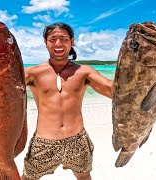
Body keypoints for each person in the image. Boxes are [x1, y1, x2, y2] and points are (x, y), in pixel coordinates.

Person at [22, 22, 113, 180]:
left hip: (77, 139)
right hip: (44, 142)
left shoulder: (84, 72)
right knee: (28, 178)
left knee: (83, 176)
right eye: (52, 39)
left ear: (71, 42)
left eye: (63, 39)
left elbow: (112, 90)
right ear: (46, 43)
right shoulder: (32, 73)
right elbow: (1, 91)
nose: (58, 43)